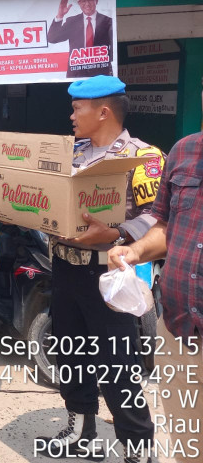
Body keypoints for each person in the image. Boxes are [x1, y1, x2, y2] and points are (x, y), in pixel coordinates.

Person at [36, 75, 163, 462]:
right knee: (69, 355)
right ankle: (81, 429)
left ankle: (138, 447)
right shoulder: (66, 154)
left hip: (107, 277)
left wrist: (117, 232)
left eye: (78, 108)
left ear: (103, 111)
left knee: (119, 367)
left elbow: (157, 219)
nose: (71, 115)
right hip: (65, 270)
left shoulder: (145, 157)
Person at [108, 83, 203, 463]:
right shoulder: (184, 151)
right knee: (188, 444)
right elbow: (164, 226)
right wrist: (134, 249)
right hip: (179, 329)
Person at [47, 0, 114, 78]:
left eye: (90, 0)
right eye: (83, 1)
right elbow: (52, 38)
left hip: (101, 75)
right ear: (79, 3)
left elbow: (113, 50)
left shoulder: (108, 21)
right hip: (76, 75)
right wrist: (60, 15)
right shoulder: (72, 22)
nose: (87, 4)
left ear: (96, 1)